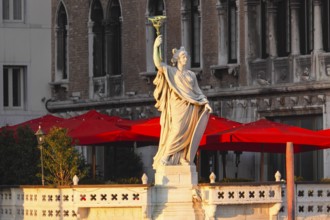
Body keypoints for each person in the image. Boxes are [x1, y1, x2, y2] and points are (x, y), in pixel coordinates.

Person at [152, 35, 212, 169]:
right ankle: (167, 156)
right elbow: (158, 63)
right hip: (177, 106)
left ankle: (183, 156)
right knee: (177, 129)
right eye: (184, 57)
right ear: (178, 59)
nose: (186, 58)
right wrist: (156, 46)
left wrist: (205, 103)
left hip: (191, 107)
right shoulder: (171, 72)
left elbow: (198, 91)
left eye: (186, 56)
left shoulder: (191, 75)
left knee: (189, 132)